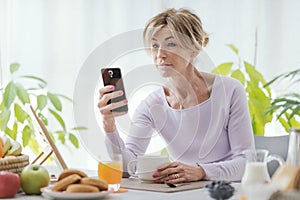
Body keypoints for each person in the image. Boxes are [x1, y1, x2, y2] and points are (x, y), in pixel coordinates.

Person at [98, 8, 255, 183]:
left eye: (171, 44)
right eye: (155, 45)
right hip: (181, 192)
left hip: (226, 191)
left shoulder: (230, 90)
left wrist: (201, 171)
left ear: (194, 49)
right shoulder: (152, 105)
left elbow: (247, 164)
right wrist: (109, 124)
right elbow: (128, 168)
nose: (159, 54)